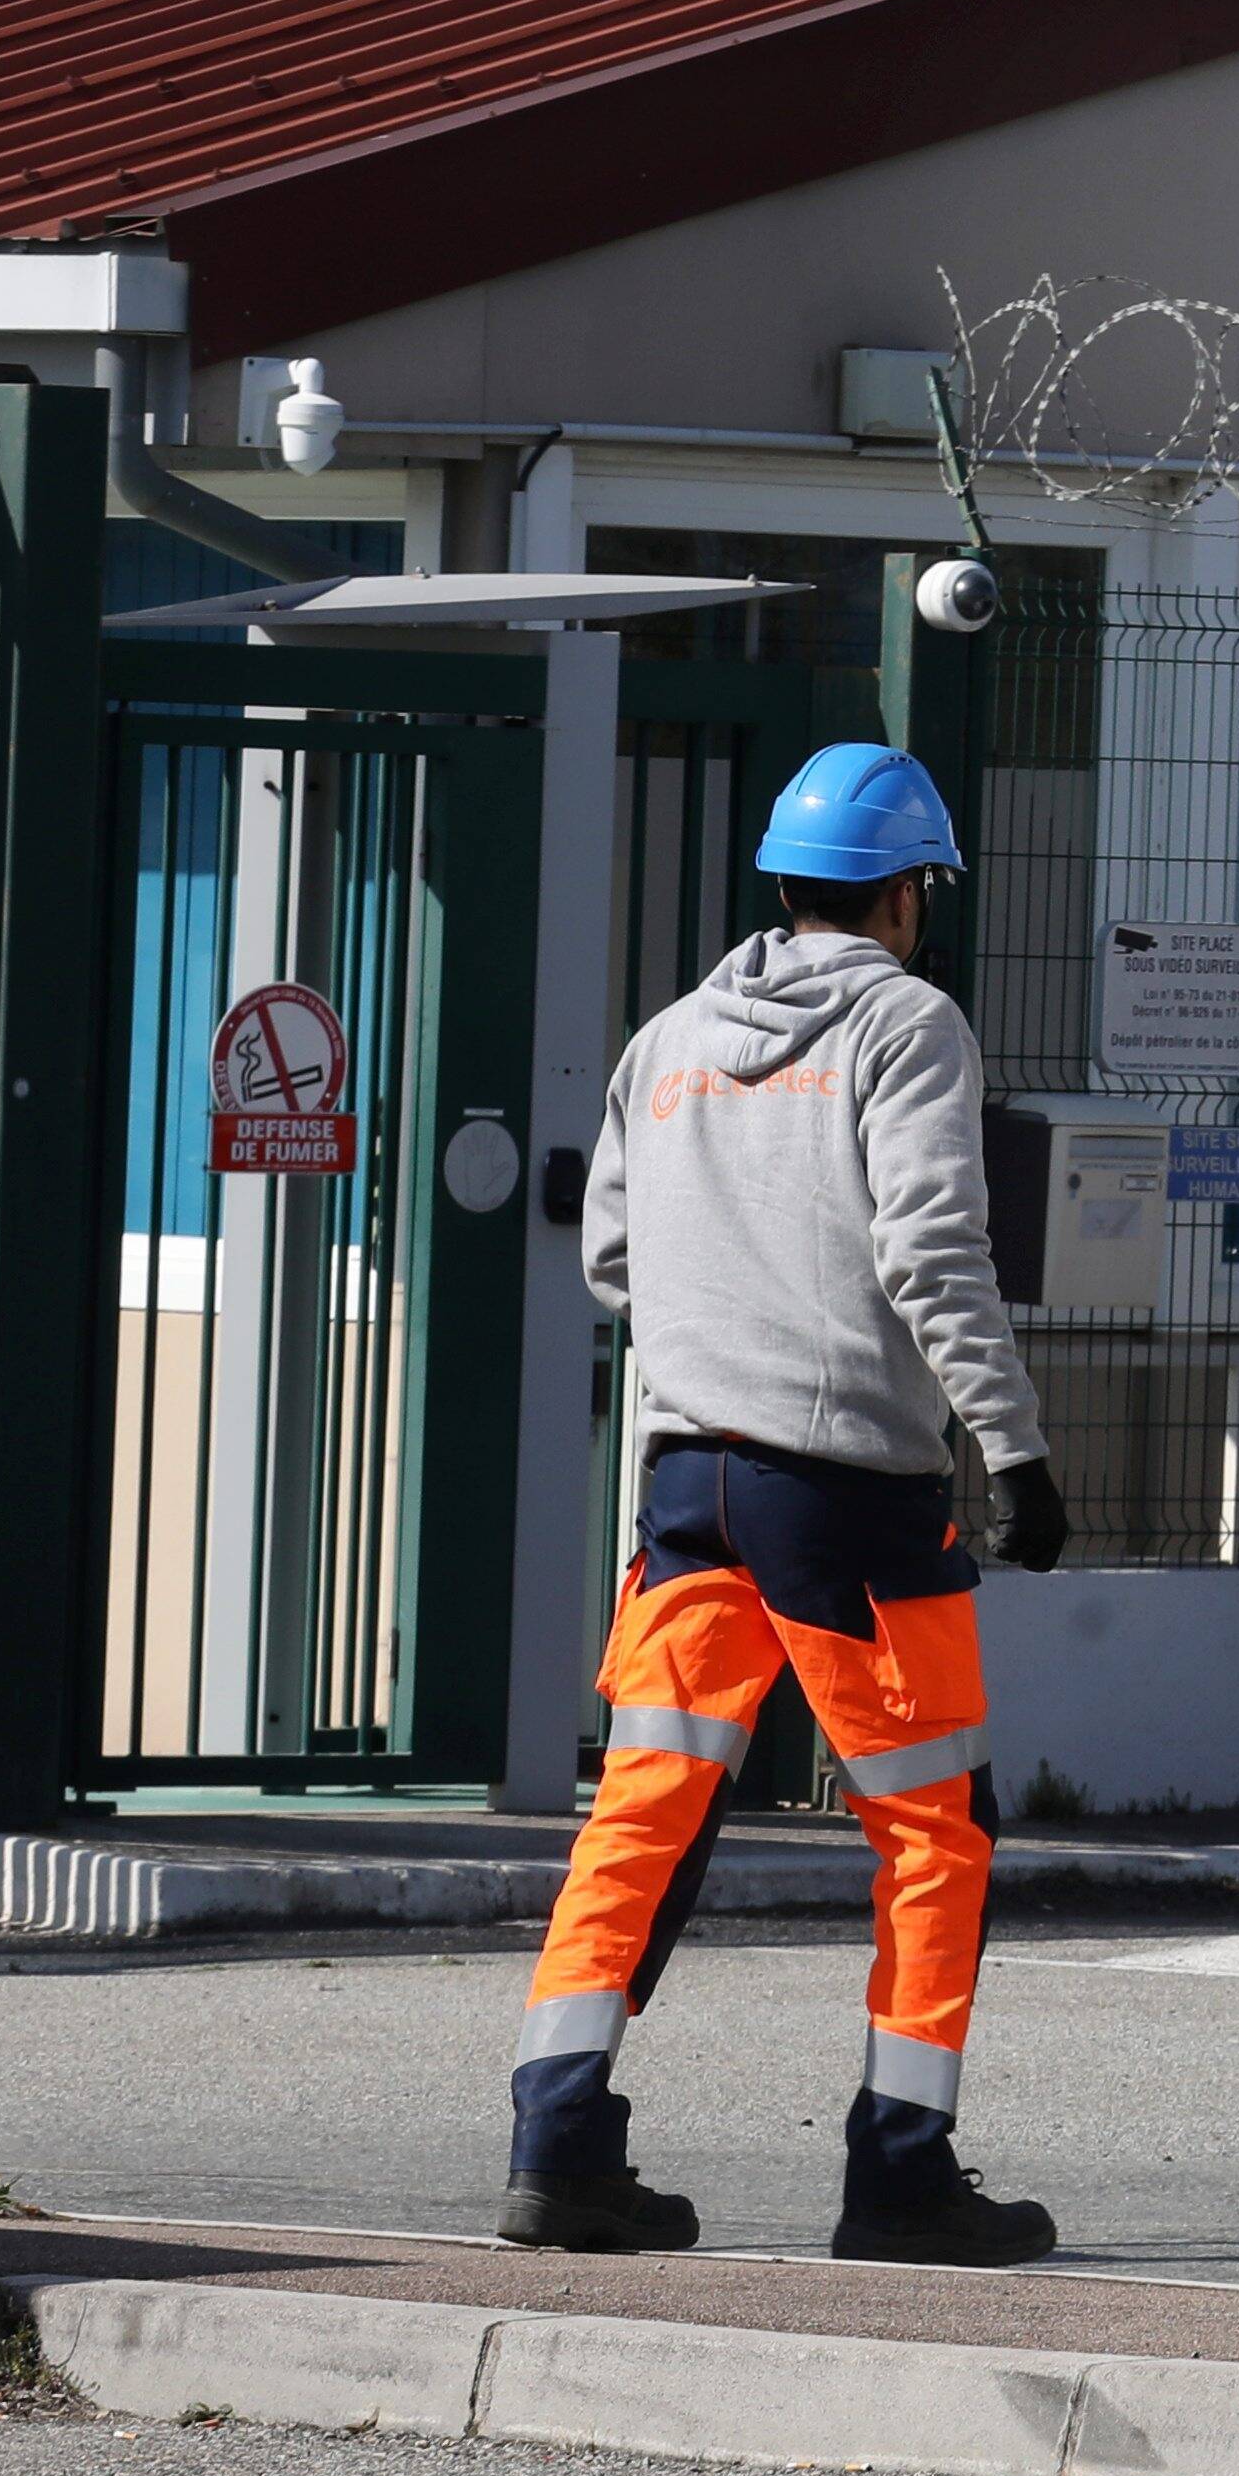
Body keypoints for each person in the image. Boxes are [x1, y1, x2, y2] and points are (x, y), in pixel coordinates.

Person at [502, 741, 1073, 2264]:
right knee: (933, 1826)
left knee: (644, 1809)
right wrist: (1009, 1449)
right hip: (849, 1495)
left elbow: (614, 1263)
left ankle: (556, 2146)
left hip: (688, 1481)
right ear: (903, 893)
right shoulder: (910, 1026)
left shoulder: (667, 1038)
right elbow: (935, 1252)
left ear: (781, 881)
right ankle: (900, 2171)